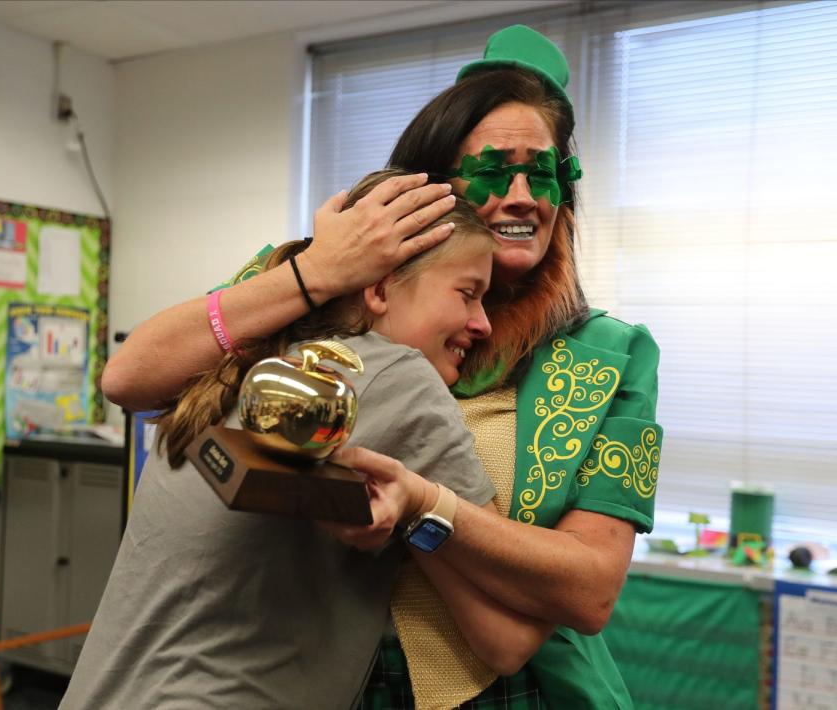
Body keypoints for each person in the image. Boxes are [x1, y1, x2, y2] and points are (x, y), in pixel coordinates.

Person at [103, 24, 662, 709]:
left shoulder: (607, 353)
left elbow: (588, 588)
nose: (521, 195)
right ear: (429, 189)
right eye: (491, 170)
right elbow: (132, 377)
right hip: (306, 674)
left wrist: (422, 506)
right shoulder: (308, 292)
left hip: (499, 689)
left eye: (541, 171)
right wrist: (317, 269)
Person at [60, 170, 501, 709]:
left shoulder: (250, 360)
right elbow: (506, 630)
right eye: (469, 294)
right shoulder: (401, 378)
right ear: (381, 288)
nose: (484, 324)